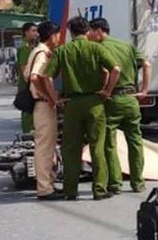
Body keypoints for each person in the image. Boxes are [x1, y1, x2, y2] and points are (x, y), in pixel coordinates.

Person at [39, 16, 120, 200]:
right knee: (97, 147)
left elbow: (46, 77)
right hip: (95, 103)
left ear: (70, 32)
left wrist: (56, 99)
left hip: (72, 104)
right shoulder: (96, 48)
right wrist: (107, 91)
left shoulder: (62, 51)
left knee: (70, 149)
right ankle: (99, 190)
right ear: (86, 31)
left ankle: (70, 190)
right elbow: (115, 69)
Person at [87, 18, 151, 195]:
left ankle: (115, 183)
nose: (88, 35)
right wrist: (144, 90)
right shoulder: (127, 45)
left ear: (99, 31)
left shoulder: (100, 48)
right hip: (131, 98)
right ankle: (138, 182)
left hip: (113, 99)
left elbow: (108, 72)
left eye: (90, 32)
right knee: (136, 141)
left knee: (109, 142)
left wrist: (107, 90)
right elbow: (147, 64)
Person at [26, 21, 62, 201]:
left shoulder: (37, 50)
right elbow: (35, 76)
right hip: (42, 104)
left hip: (40, 104)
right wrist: (48, 95)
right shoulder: (42, 53)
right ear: (51, 36)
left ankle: (49, 183)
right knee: (45, 147)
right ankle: (45, 188)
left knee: (47, 146)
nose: (59, 39)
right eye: (57, 35)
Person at [17, 23, 39, 134]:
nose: (36, 33)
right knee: (27, 110)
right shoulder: (24, 48)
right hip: (26, 85)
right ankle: (26, 133)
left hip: (29, 84)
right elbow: (24, 69)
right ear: (26, 32)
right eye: (33, 31)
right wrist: (31, 84)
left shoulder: (31, 47)